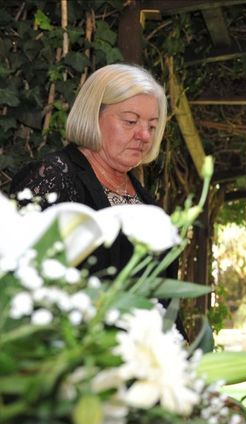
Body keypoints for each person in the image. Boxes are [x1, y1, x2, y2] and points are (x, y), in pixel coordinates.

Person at [11, 63, 167, 275]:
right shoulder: (54, 177)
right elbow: (18, 273)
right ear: (93, 116)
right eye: (131, 121)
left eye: (152, 126)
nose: (145, 136)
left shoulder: (141, 193)